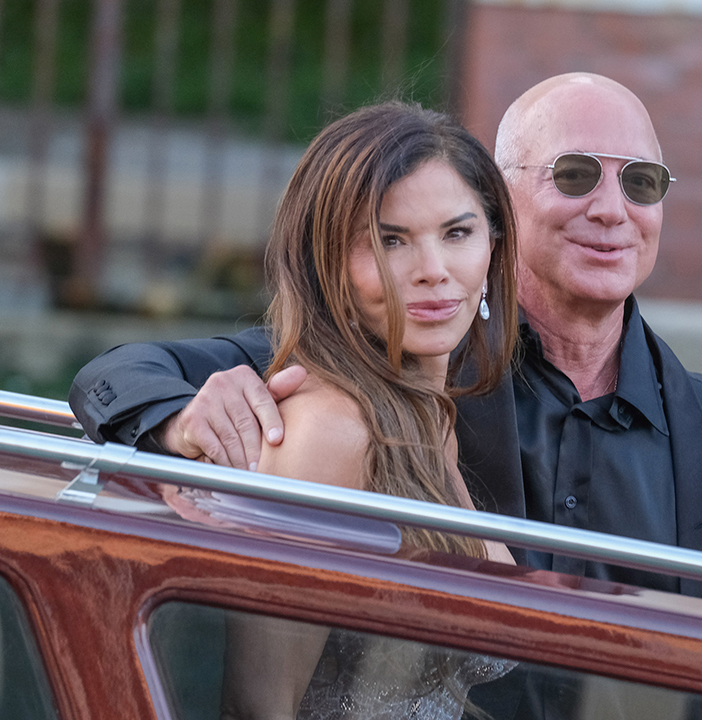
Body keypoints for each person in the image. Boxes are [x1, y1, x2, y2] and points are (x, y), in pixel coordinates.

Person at [70, 74, 702, 612]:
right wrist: (179, 418)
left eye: (641, 184)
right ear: (499, 202)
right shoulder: (399, 348)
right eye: (576, 176)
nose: (612, 210)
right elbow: (121, 372)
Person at [148, 101, 518, 719]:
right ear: (327, 266)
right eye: (389, 241)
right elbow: (256, 708)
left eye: (457, 233)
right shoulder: (330, 429)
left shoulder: (430, 416)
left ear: (493, 245)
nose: (433, 271)